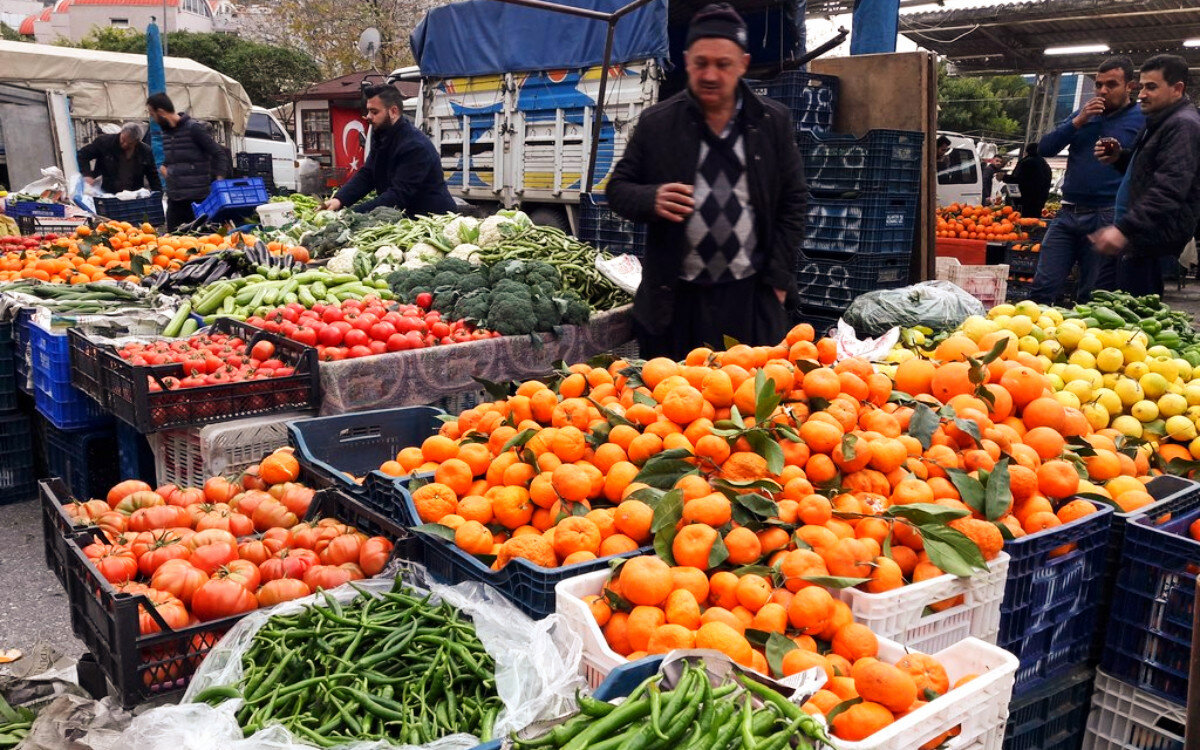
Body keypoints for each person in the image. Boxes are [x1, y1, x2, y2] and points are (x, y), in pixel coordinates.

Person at [607, 3, 807, 360]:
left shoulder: (771, 122)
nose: (711, 74)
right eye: (701, 63)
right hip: (676, 301)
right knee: (673, 403)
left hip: (748, 299)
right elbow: (617, 189)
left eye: (723, 64)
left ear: (743, 64)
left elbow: (794, 202)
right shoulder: (658, 123)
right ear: (687, 61)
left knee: (746, 403)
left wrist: (778, 282)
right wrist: (650, 198)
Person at [1031, 56, 1145, 304]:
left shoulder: (1141, 118)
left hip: (1107, 215)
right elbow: (1045, 148)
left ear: (1130, 86)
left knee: (1092, 295)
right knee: (1043, 287)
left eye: (1112, 84)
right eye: (1098, 84)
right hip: (1067, 213)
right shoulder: (1083, 115)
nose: (1103, 91)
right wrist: (1077, 121)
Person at [1090, 54, 1200, 297]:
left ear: (1177, 88)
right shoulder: (1160, 120)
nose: (1141, 94)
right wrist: (1119, 157)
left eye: (1151, 87)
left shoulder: (1183, 125)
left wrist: (1124, 230)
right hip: (1132, 236)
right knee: (1101, 304)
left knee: (1134, 320)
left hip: (1146, 240)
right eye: (1141, 87)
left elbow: (1169, 188)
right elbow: (1146, 172)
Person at [321, 85, 455, 216]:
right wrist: (339, 200)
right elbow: (368, 174)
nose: (368, 116)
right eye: (368, 111)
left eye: (374, 112)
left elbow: (398, 195)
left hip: (432, 218)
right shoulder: (381, 135)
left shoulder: (414, 146)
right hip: (404, 215)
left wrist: (350, 214)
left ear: (393, 111)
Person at [146, 93, 227, 230]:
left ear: (161, 112)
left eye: (152, 114)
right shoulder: (166, 134)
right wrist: (166, 167)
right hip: (175, 201)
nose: (152, 119)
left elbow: (219, 153)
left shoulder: (194, 129)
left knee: (199, 244)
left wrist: (218, 184)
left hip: (197, 202)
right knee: (172, 244)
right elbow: (177, 159)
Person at [76, 122, 161, 194]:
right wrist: (87, 174)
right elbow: (82, 155)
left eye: (129, 144)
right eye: (123, 140)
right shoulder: (104, 142)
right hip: (107, 192)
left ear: (137, 142)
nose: (124, 144)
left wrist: (157, 194)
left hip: (133, 194)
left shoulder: (145, 151)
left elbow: (153, 176)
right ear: (121, 133)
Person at [1001, 143, 1052, 219]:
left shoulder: (1025, 162)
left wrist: (1004, 177)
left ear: (1026, 151)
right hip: (1038, 203)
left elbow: (1017, 181)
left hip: (1023, 203)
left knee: (1021, 225)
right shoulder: (1046, 165)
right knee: (1033, 224)